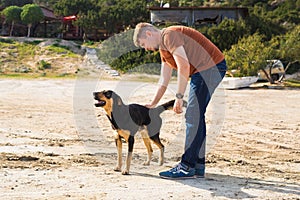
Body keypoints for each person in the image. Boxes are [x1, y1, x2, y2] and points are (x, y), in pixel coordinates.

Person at [133, 23, 227, 179]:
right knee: (196, 115)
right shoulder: (164, 49)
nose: (146, 49)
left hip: (210, 67)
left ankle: (186, 166)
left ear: (148, 34)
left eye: (143, 44)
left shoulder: (169, 35)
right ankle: (197, 165)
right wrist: (153, 103)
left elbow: (183, 66)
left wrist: (179, 97)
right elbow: (164, 79)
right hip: (205, 69)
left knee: (193, 115)